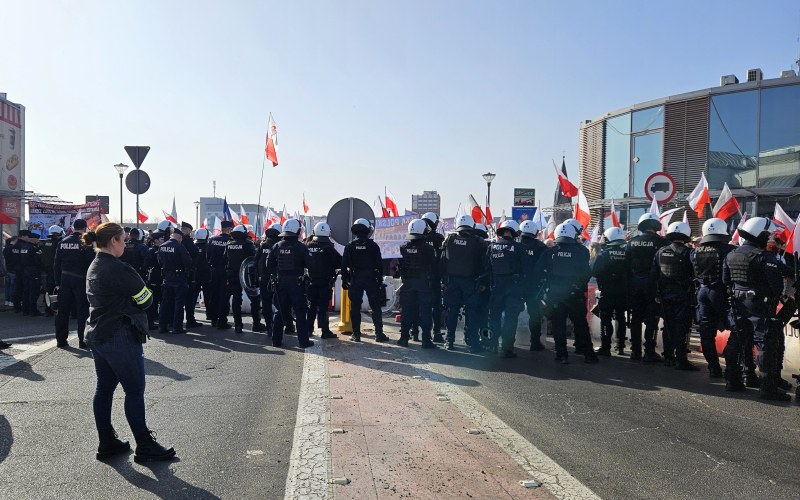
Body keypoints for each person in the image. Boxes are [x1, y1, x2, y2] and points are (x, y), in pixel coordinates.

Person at [83, 222, 176, 462]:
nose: (126, 244)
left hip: (98, 333)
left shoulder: (95, 264)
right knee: (134, 390)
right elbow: (146, 300)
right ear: (113, 241)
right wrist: (134, 301)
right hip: (119, 333)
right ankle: (144, 444)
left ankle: (106, 441)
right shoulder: (118, 268)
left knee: (104, 388)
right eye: (123, 240)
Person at [722, 217, 791, 401]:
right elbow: (776, 286)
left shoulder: (731, 254)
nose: (770, 238)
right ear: (760, 235)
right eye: (768, 236)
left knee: (736, 340)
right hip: (759, 306)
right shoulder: (764, 257)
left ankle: (732, 381)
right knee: (765, 344)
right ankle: (767, 387)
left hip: (737, 306)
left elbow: (725, 281)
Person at [534, 222, 599, 364]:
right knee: (580, 324)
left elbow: (538, 271)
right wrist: (578, 285)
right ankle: (589, 355)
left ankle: (561, 355)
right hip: (574, 293)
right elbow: (586, 273)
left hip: (555, 294)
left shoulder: (550, 252)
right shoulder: (581, 251)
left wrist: (548, 280)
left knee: (558, 324)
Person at [690, 218, 735, 378]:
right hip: (722, 293)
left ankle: (714, 367)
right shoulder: (729, 250)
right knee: (735, 329)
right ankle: (732, 367)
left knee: (706, 332)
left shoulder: (694, 252)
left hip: (702, 293)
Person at [652, 222, 698, 370]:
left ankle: (668, 357)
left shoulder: (660, 252)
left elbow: (654, 274)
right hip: (683, 294)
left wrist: (657, 293)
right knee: (682, 327)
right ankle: (681, 359)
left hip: (665, 294)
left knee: (668, 325)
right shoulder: (689, 252)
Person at [265, 219, 315, 348]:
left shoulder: (277, 246)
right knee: (300, 312)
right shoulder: (301, 247)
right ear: (296, 231)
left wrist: (278, 272)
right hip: (296, 285)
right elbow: (311, 264)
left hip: (280, 284)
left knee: (279, 312)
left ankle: (276, 340)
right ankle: (303, 342)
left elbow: (268, 264)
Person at [625, 213, 668, 362]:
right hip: (653, 284)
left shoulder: (631, 242)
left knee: (636, 318)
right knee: (652, 319)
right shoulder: (661, 242)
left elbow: (626, 265)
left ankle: (635, 351)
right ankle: (649, 351)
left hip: (635, 283)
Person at [440, 215, 486, 352]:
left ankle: (449, 341)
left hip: (452, 282)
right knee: (471, 313)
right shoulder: (478, 242)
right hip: (471, 282)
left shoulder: (449, 239)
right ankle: (473, 343)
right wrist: (482, 282)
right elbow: (483, 264)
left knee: (452, 312)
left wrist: (444, 282)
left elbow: (443, 262)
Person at [341, 218, 388, 343]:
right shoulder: (373, 245)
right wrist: (379, 280)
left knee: (355, 307)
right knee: (375, 307)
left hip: (355, 279)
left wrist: (344, 280)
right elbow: (380, 265)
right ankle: (379, 334)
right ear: (367, 230)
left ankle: (356, 334)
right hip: (371, 279)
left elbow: (344, 265)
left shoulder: (350, 246)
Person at [486, 220, 528, 358]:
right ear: (514, 232)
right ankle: (507, 348)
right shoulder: (519, 247)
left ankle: (492, 344)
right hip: (513, 287)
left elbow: (487, 267)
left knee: (494, 316)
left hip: (496, 286)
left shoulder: (492, 246)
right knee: (511, 317)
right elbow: (525, 268)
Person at [54, 219, 95, 348]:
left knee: (62, 310)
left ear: (73, 228)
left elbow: (56, 264)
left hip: (65, 278)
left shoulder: (63, 242)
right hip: (81, 279)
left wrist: (57, 282)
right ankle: (83, 341)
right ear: (85, 229)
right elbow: (91, 263)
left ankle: (61, 340)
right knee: (83, 310)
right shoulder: (85, 242)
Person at [397, 219, 438, 348]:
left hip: (408, 283)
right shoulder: (429, 249)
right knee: (425, 312)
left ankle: (404, 338)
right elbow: (434, 266)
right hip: (423, 284)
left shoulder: (403, 247)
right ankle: (426, 340)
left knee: (407, 311)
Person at [592, 227, 628, 356]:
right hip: (623, 290)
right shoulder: (627, 253)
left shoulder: (604, 254)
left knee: (605, 318)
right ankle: (620, 346)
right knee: (621, 317)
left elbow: (595, 272)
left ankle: (605, 347)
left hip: (607, 290)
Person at [306, 222, 341, 339]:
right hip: (325, 282)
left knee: (311, 306)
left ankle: (308, 330)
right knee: (323, 307)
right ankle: (325, 331)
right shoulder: (328, 247)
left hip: (311, 281)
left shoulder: (308, 245)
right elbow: (338, 262)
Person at [222, 225, 259, 333]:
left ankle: (238, 325)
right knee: (254, 299)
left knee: (236, 300)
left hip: (233, 275)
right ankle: (256, 323)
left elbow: (225, 258)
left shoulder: (229, 245)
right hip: (247, 276)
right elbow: (255, 258)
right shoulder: (248, 244)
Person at [157, 229, 192, 334]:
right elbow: (188, 262)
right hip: (179, 278)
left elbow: (159, 262)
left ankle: (162, 326)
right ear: (180, 237)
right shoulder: (180, 247)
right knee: (179, 303)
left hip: (167, 277)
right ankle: (177, 327)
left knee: (165, 303)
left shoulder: (162, 247)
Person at [519, 220, 547, 351]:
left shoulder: (515, 245)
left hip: (517, 285)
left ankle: (508, 342)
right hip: (535, 287)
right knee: (535, 314)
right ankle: (535, 342)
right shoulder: (541, 247)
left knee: (511, 313)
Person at [422, 213, 445, 342]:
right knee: (436, 306)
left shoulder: (418, 238)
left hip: (420, 278)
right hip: (435, 277)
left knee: (420, 306)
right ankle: (436, 333)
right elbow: (443, 259)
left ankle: (415, 332)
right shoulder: (438, 238)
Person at [206, 220, 234, 328]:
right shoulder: (230, 241)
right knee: (224, 296)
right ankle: (222, 320)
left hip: (214, 270)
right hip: (225, 271)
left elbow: (208, 255)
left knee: (214, 295)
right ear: (229, 230)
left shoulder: (212, 239)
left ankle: (213, 319)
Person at [257, 223, 282, 333]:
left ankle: (269, 326)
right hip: (279, 278)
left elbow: (255, 260)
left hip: (264, 278)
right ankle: (284, 326)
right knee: (281, 302)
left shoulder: (263, 245)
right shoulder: (281, 245)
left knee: (266, 303)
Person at [191, 228, 212, 327]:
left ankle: (191, 316)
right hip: (207, 274)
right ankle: (210, 315)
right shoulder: (208, 246)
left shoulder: (192, 246)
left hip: (195, 274)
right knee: (208, 296)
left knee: (193, 297)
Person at [41, 226, 64, 317]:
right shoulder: (59, 243)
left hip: (48, 269)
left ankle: (48, 309)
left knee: (49, 290)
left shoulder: (45, 243)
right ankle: (57, 308)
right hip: (57, 269)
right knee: (58, 289)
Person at [145, 232, 165, 330]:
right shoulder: (152, 251)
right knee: (154, 299)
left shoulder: (163, 249)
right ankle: (151, 319)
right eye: (161, 239)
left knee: (162, 298)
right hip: (154, 277)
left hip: (162, 276)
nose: (163, 241)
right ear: (156, 240)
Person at [11, 231, 27, 312]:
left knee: (17, 287)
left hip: (16, 268)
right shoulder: (22, 245)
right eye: (27, 236)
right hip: (22, 269)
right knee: (22, 288)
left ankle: (16, 305)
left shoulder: (15, 246)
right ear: (23, 236)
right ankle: (20, 305)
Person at [3, 235, 18, 308]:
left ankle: (7, 300)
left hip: (8, 268)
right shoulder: (13, 248)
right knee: (13, 285)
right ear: (16, 240)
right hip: (13, 268)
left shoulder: (6, 248)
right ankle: (11, 300)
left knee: (8, 285)